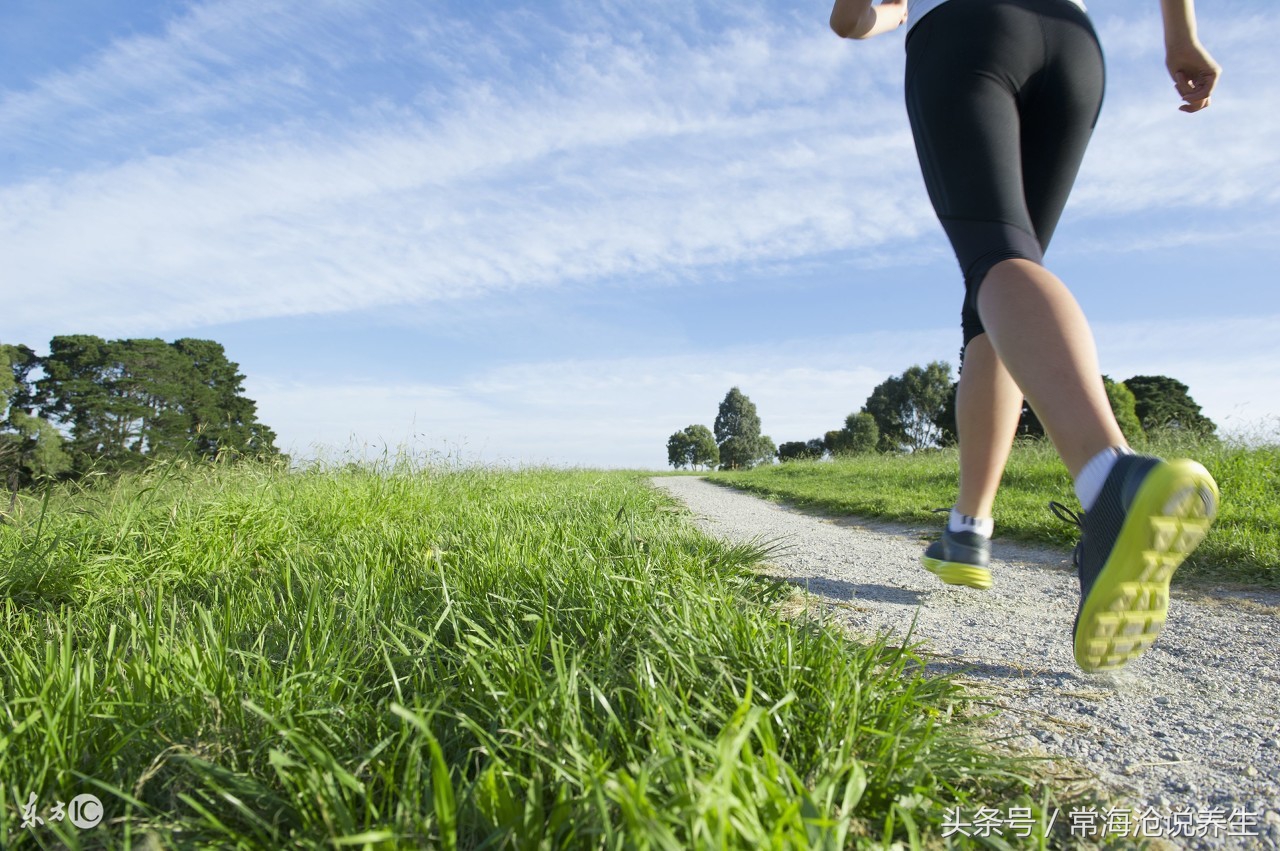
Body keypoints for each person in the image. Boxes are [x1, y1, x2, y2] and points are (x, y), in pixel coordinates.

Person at [830, 0, 1222, 672]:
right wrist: (1181, 35)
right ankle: (968, 528)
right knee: (997, 291)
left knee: (998, 260)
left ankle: (1112, 477)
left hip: (970, 31)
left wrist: (869, 18)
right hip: (1073, 46)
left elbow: (857, 14)